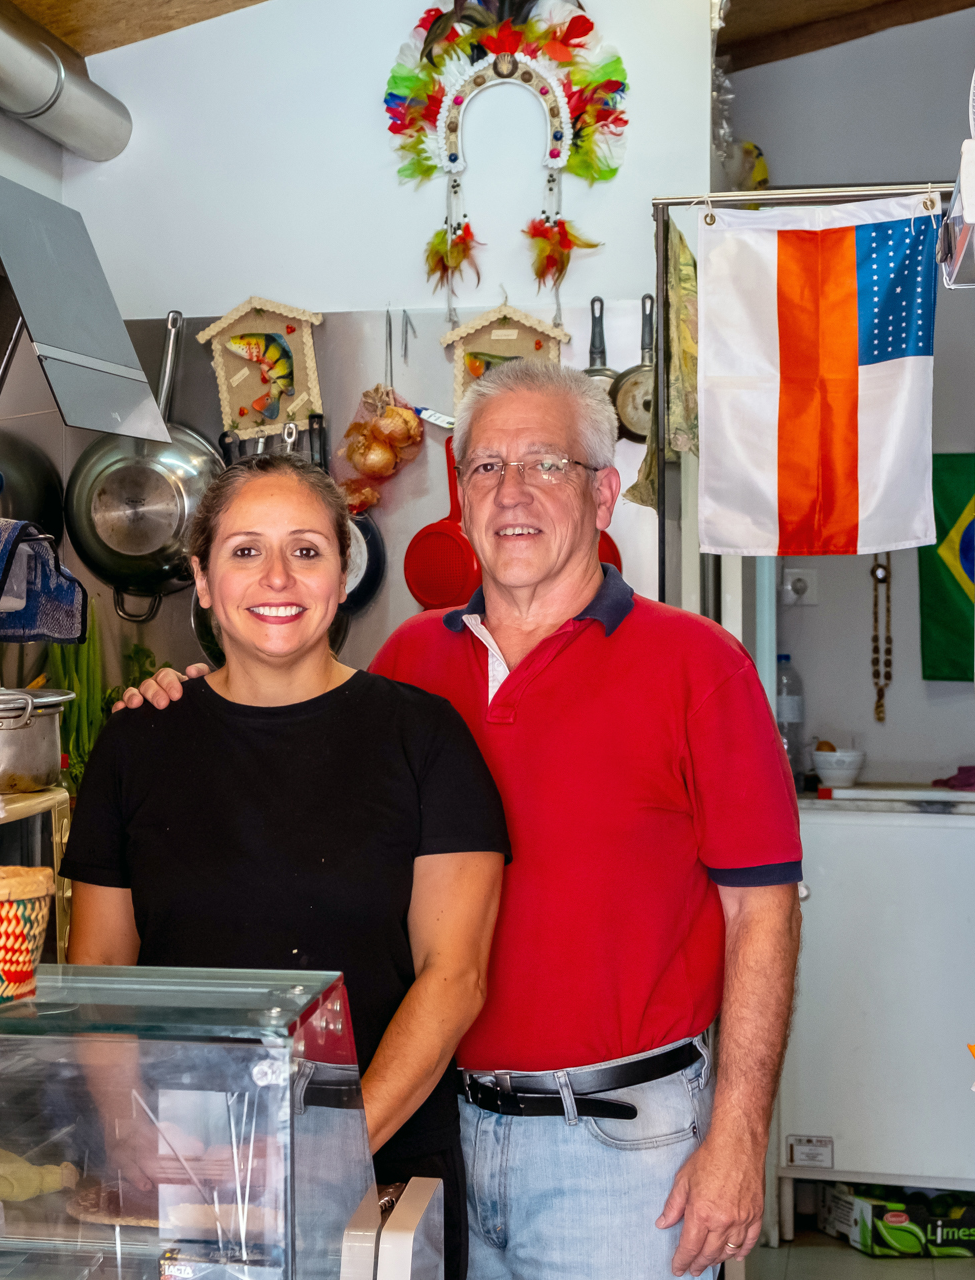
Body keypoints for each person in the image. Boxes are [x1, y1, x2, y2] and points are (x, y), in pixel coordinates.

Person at [115, 359, 802, 1280]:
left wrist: (739, 1136)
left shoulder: (699, 666)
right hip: (430, 1135)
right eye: (485, 467)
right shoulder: (408, 665)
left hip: (621, 1153)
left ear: (603, 494)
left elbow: (762, 912)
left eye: (545, 464)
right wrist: (194, 699)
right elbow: (295, 750)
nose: (512, 492)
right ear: (461, 497)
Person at [63, 453, 510, 1280]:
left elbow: (455, 978)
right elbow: (99, 969)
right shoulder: (137, 743)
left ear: (342, 577)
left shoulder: (424, 739)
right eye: (245, 551)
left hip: (378, 1170)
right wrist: (135, 1141)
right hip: (184, 1170)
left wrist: (326, 1152)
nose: (278, 577)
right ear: (203, 582)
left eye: (306, 550)